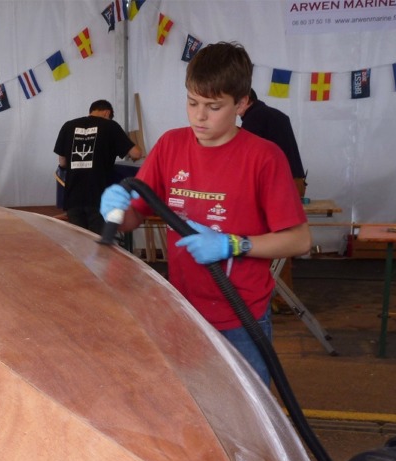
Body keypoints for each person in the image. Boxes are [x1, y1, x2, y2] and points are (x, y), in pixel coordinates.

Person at [99, 42, 311, 385]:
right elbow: (135, 216)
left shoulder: (264, 157)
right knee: (197, 419)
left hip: (243, 321)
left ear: (241, 103)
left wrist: (233, 244)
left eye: (214, 107)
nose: (199, 116)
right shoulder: (170, 146)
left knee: (247, 426)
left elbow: (300, 240)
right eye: (192, 102)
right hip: (184, 315)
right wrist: (115, 208)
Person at [239, 88, 306, 307]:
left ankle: (281, 299)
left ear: (245, 100)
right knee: (280, 239)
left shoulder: (254, 118)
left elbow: (243, 155)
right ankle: (280, 296)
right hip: (295, 180)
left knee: (279, 241)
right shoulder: (273, 114)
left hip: (281, 184)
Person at [53, 99, 142, 234]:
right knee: (98, 246)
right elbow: (136, 153)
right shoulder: (110, 126)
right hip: (99, 196)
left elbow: (62, 163)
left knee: (78, 243)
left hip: (73, 197)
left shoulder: (68, 126)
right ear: (107, 113)